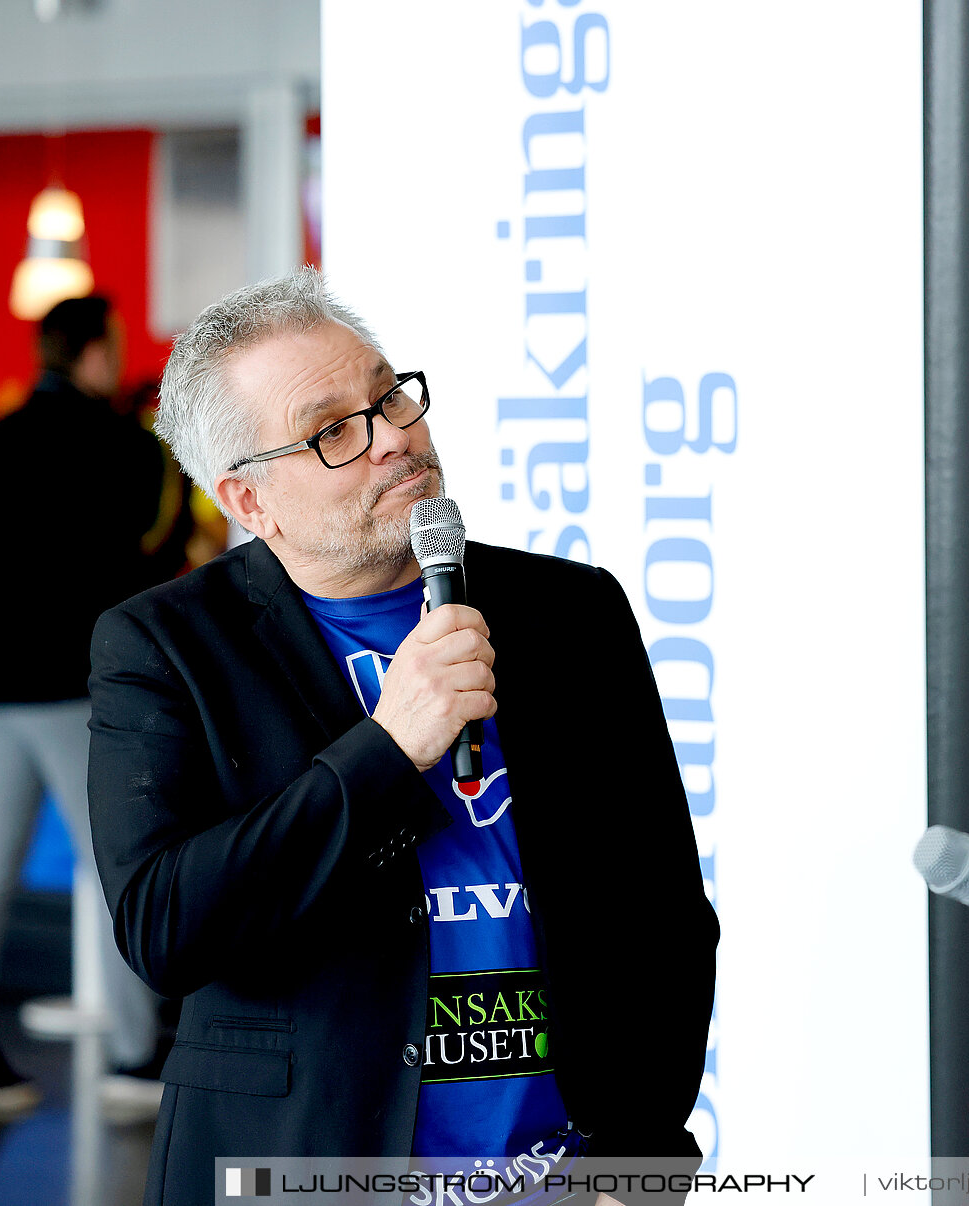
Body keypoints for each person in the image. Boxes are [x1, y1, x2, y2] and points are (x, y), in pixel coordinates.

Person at [86, 269, 717, 1205]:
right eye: (334, 429)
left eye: (388, 396)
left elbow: (662, 910)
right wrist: (387, 749)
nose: (394, 438)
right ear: (250, 502)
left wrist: (645, 1155)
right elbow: (167, 928)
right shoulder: (165, 644)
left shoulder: (569, 611)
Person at [0, 295, 170, 1123]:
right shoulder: (114, 445)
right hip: (73, 688)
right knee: (116, 870)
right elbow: (146, 553)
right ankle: (140, 1057)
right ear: (98, 353)